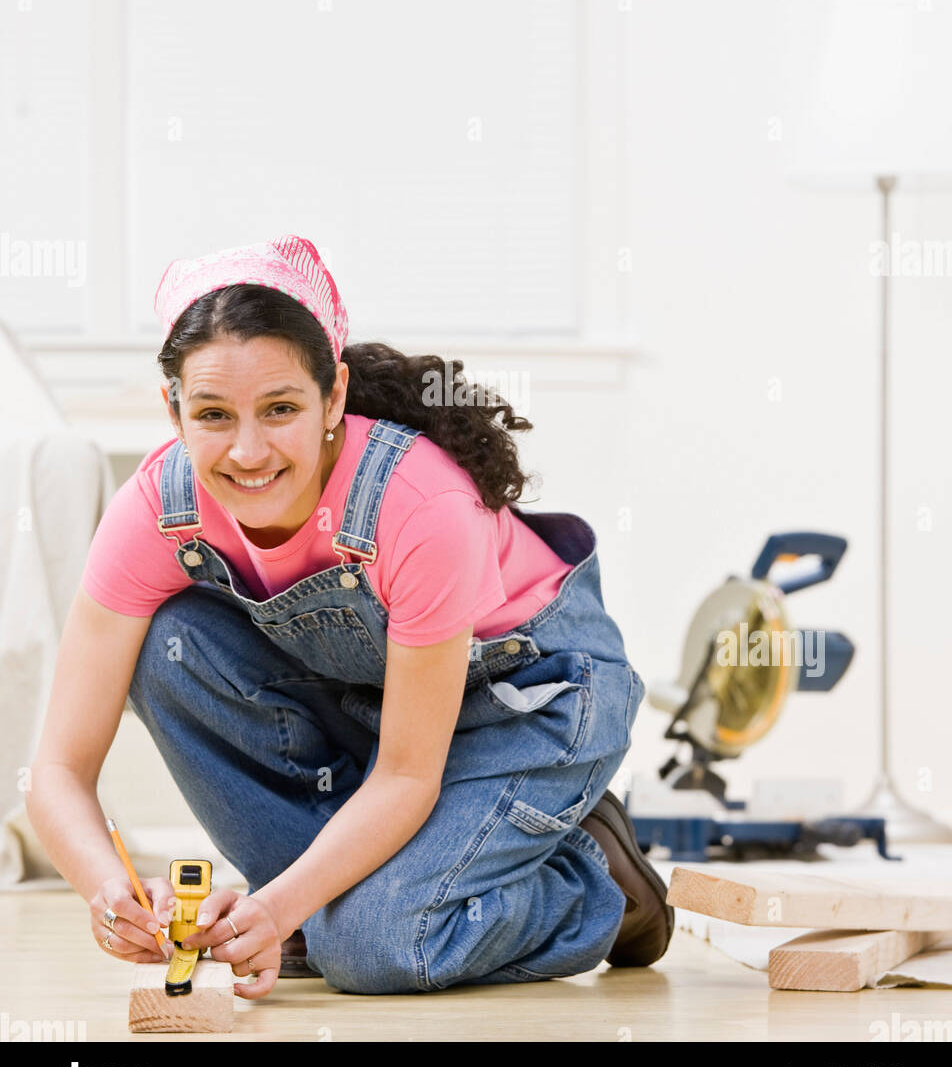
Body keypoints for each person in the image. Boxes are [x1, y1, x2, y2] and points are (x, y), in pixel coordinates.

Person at [26, 234, 673, 997]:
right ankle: (345, 908)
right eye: (212, 414)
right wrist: (110, 892)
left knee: (373, 949)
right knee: (167, 646)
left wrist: (277, 906)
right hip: (381, 715)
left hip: (534, 703)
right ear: (172, 409)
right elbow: (57, 771)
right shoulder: (157, 510)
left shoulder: (418, 501)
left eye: (280, 409)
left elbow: (407, 774)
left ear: (332, 396)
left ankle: (591, 877)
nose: (247, 450)